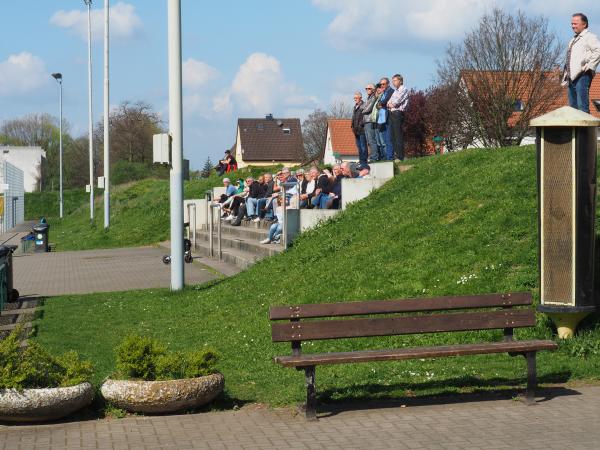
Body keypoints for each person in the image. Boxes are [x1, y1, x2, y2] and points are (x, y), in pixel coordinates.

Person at [562, 13, 600, 113]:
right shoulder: (572, 40)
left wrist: (590, 67)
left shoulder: (590, 37)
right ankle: (576, 129)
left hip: (583, 75)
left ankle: (584, 129)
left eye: (575, 23)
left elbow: (598, 51)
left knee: (582, 107)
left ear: (584, 24)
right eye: (572, 23)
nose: (573, 26)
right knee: (573, 108)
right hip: (571, 78)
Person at [388, 74, 409, 161]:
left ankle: (401, 156)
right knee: (393, 136)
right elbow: (389, 102)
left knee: (398, 135)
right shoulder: (395, 91)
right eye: (392, 81)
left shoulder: (404, 89)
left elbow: (397, 101)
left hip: (398, 113)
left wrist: (392, 104)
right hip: (392, 113)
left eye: (395, 80)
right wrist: (390, 104)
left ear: (400, 81)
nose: (393, 82)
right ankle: (397, 155)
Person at [376, 77, 394, 160]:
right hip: (381, 119)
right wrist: (380, 102)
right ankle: (387, 157)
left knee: (388, 139)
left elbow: (385, 101)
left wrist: (381, 103)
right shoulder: (382, 93)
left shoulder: (391, 91)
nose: (382, 86)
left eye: (383, 84)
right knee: (384, 140)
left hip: (388, 117)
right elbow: (377, 104)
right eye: (381, 84)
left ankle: (390, 157)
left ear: (388, 84)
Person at [362, 83, 379, 162]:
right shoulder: (368, 98)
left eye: (369, 88)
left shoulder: (373, 97)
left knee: (372, 140)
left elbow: (368, 109)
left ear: (373, 89)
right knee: (369, 140)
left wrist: (363, 110)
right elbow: (363, 106)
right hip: (366, 121)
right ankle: (372, 156)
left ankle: (374, 157)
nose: (367, 90)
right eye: (366, 88)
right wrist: (363, 108)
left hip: (370, 120)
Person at [351, 92, 368, 166]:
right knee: (359, 147)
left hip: (361, 129)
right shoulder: (355, 107)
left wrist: (360, 125)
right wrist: (352, 126)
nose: (355, 100)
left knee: (363, 146)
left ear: (360, 98)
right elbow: (353, 117)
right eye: (354, 98)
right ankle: (361, 161)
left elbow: (364, 117)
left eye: (356, 98)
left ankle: (364, 161)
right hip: (355, 130)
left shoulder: (363, 105)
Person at [371, 83, 387, 161]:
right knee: (378, 141)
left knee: (382, 141)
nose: (378, 90)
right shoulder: (377, 98)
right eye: (377, 88)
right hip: (376, 121)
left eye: (379, 88)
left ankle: (386, 156)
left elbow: (380, 107)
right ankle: (381, 157)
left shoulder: (383, 97)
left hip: (381, 120)